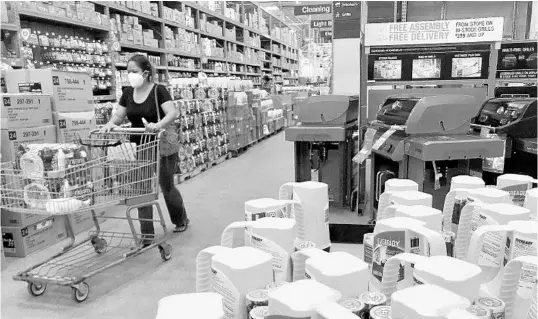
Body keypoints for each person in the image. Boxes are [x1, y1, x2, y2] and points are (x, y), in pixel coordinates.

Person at [101, 54, 189, 246]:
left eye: (134, 72)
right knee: (141, 188)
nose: (130, 75)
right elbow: (119, 115)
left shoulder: (159, 91)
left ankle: (181, 219)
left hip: (162, 145)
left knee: (166, 186)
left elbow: (172, 113)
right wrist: (110, 124)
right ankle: (147, 234)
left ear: (146, 73)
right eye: (128, 72)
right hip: (140, 146)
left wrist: (158, 125)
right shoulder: (127, 93)